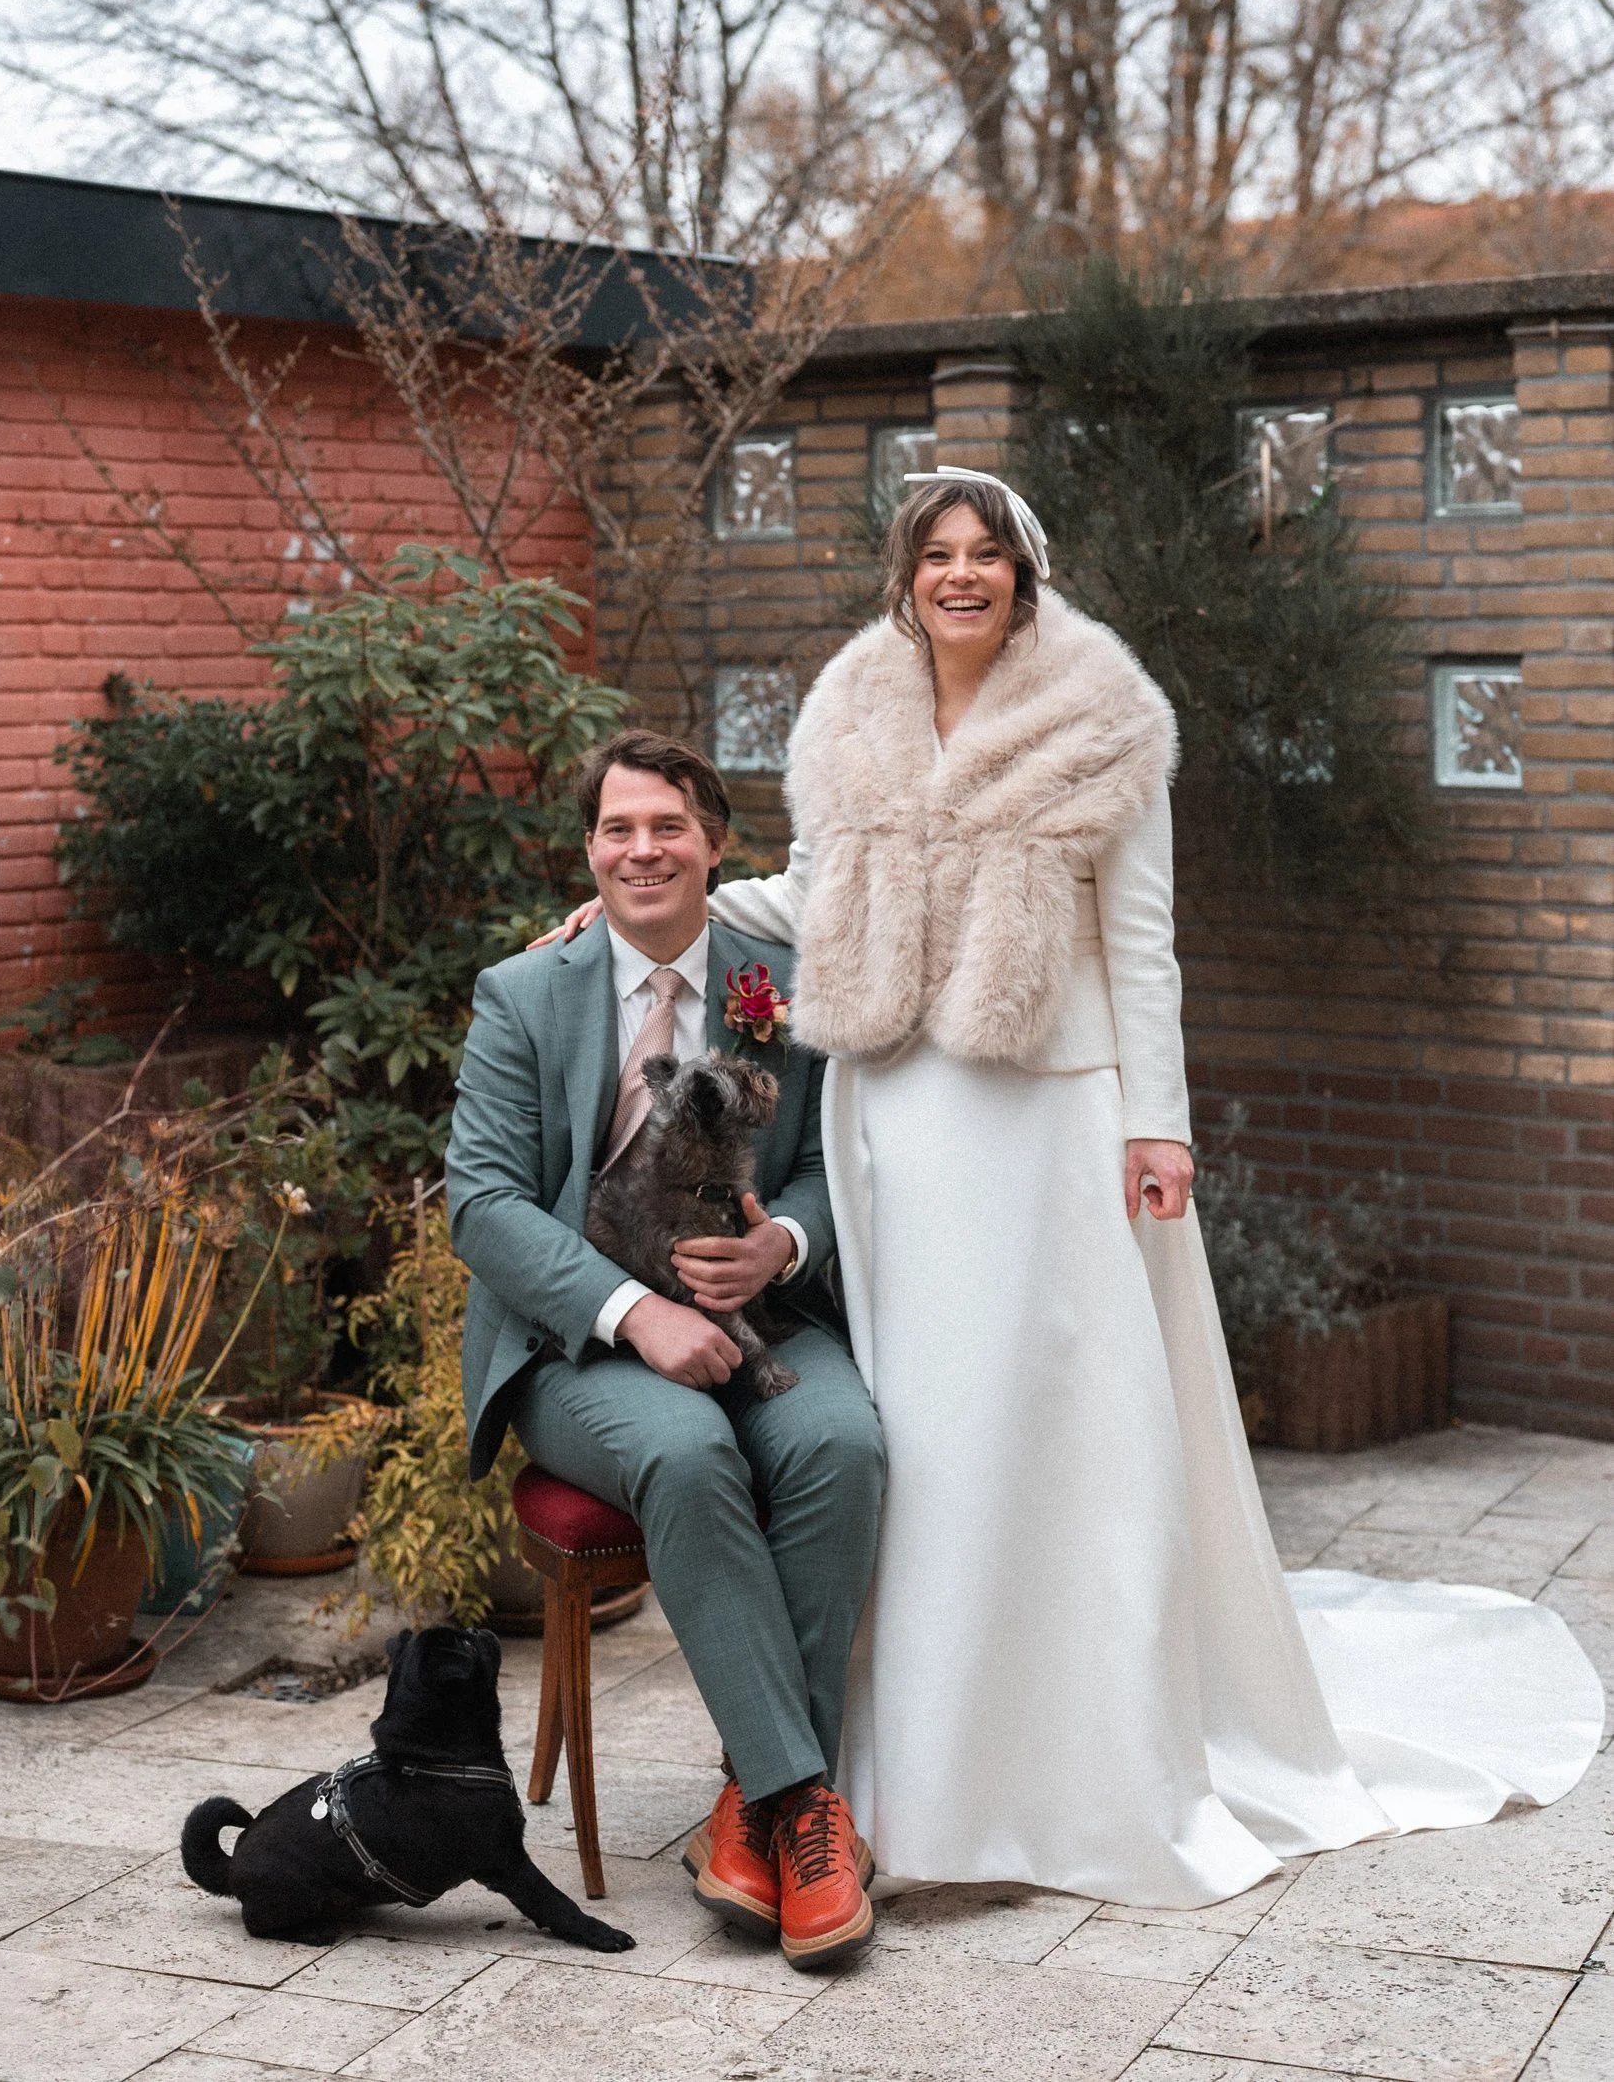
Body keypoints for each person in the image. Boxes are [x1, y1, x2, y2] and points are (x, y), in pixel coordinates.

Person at [545, 471, 1603, 1907]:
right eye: (936, 555)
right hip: (894, 1118)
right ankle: (905, 1754)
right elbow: (825, 887)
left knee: (1042, 1422)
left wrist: (1152, 1124)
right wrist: (660, 901)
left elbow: (1145, 937)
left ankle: (1069, 1753)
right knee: (921, 1424)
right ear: (903, 578)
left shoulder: (1102, 719)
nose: (960, 575)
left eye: (986, 554)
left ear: (1023, 575)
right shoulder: (854, 708)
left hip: (1043, 1118)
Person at [445, 731, 886, 1968]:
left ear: (714, 843)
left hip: (764, 1321)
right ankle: (805, 1816)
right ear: (589, 850)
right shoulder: (524, 991)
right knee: (689, 1457)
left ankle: (749, 1810)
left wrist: (781, 1248)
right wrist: (636, 1314)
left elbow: (830, 1161)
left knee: (843, 1442)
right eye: (617, 830)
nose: (643, 850)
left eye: (668, 827)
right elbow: (478, 1201)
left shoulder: (785, 980)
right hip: (579, 1348)